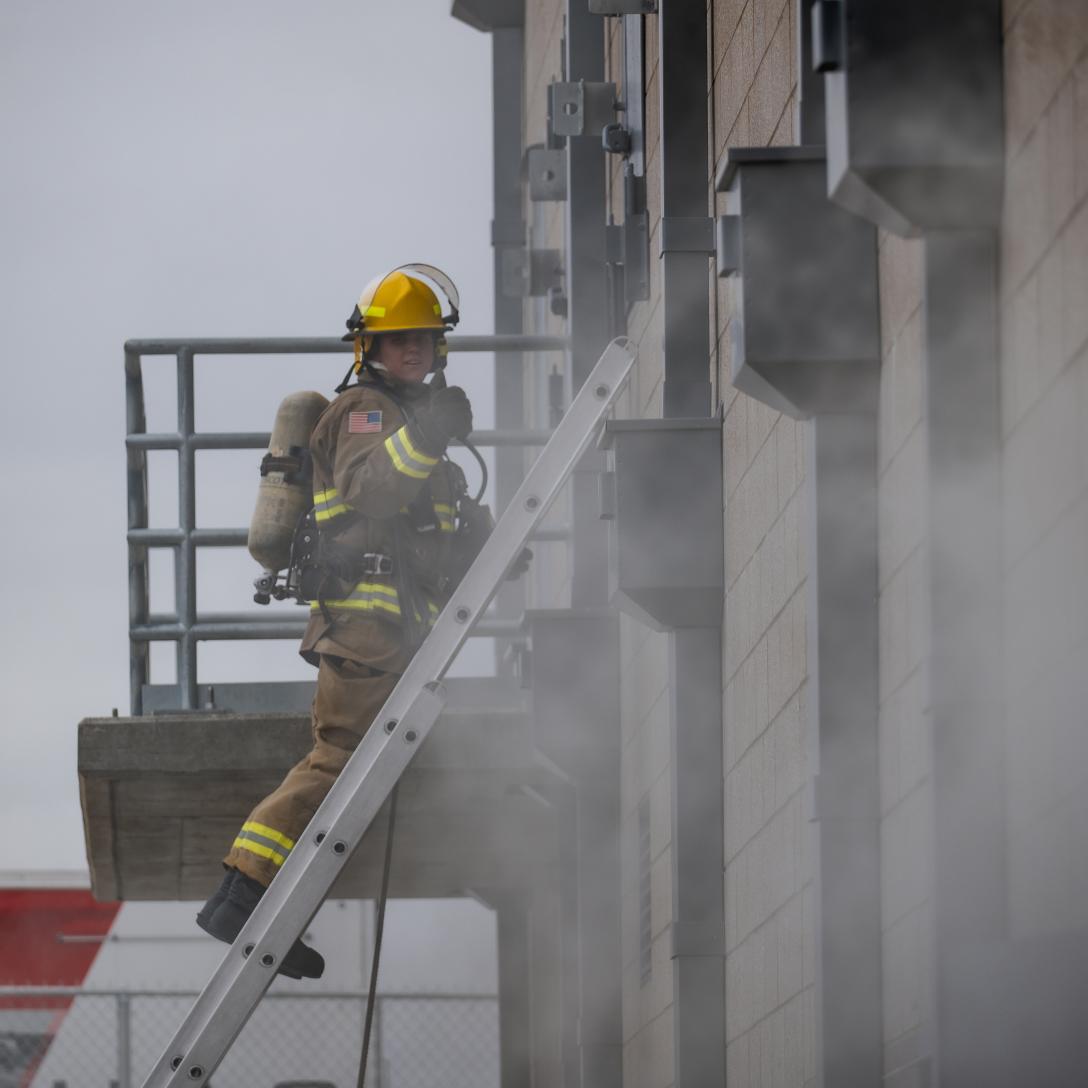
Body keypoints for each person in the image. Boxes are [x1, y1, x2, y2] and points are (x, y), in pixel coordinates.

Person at [196, 265, 500, 979]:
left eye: (423, 338)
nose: (413, 351)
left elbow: (418, 525)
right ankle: (241, 895)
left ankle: (270, 908)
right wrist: (429, 437)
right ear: (368, 348)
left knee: (353, 777)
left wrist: (472, 534)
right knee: (336, 765)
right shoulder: (365, 411)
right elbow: (374, 488)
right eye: (398, 341)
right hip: (368, 633)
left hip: (394, 634)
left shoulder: (402, 421)